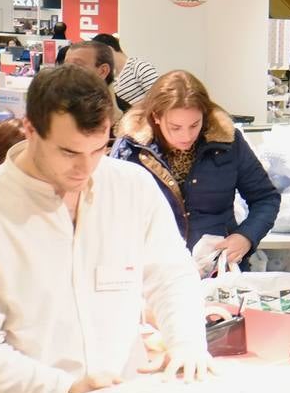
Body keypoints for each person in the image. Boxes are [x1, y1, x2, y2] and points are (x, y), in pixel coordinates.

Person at [0, 66, 212, 393]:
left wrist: (185, 341)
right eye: (68, 152)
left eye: (98, 149)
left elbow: (171, 274)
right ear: (31, 129)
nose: (85, 168)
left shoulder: (130, 187)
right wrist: (65, 388)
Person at [111, 71, 280, 265]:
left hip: (217, 269)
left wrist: (246, 237)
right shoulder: (130, 149)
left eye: (194, 125)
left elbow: (266, 198)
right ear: (156, 117)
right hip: (154, 271)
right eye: (175, 127)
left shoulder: (228, 142)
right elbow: (112, 215)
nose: (186, 136)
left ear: (204, 116)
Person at [92, 33, 160, 106]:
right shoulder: (109, 79)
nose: (98, 62)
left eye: (98, 57)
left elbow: (159, 98)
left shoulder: (139, 66)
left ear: (109, 50)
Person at [63, 40, 131, 112]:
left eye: (77, 65)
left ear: (103, 71)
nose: (67, 71)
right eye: (66, 65)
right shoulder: (56, 102)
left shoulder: (127, 117)